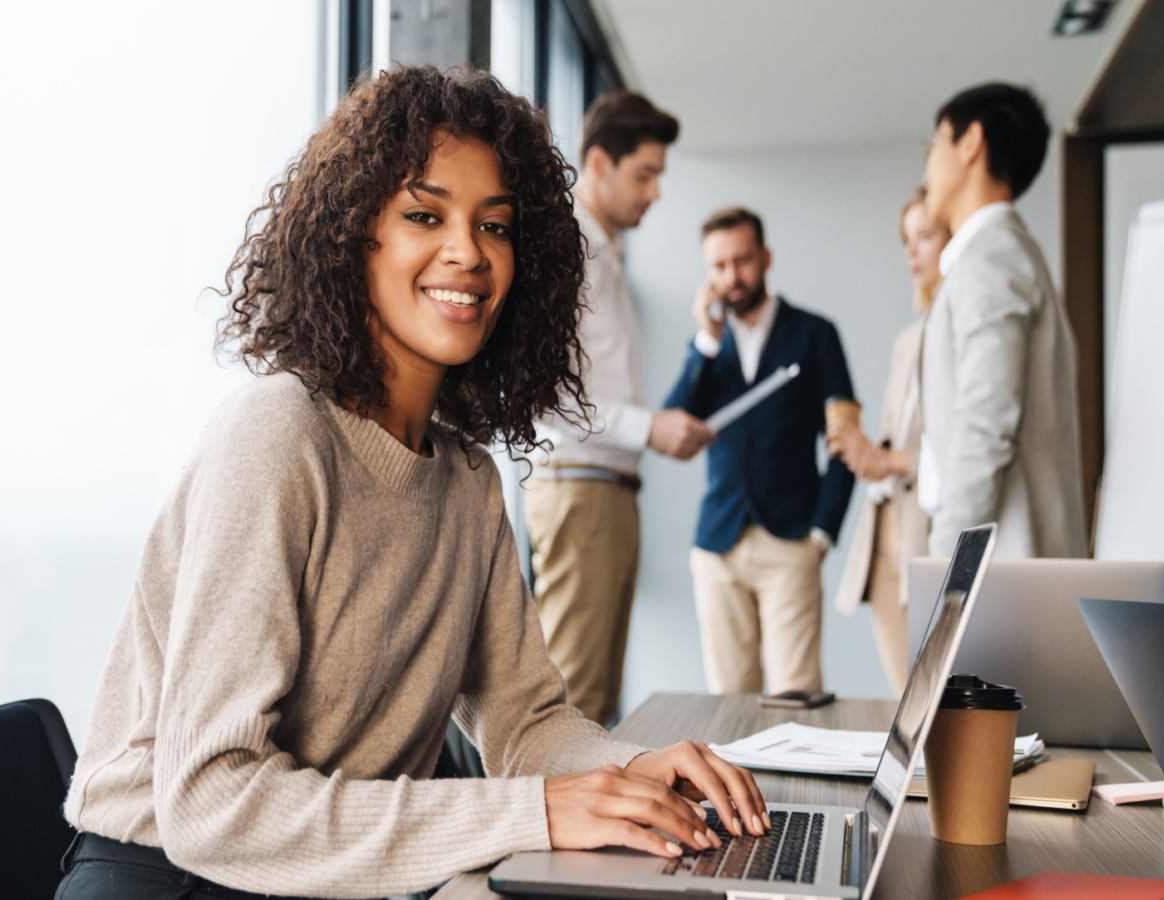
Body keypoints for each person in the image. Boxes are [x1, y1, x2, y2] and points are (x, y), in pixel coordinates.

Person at [56, 68, 770, 900]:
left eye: (494, 225)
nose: (467, 252)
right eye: (424, 215)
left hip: (334, 873)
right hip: (175, 878)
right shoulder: (279, 434)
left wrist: (634, 773)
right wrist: (533, 813)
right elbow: (210, 802)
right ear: (355, 234)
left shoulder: (468, 479)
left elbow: (524, 722)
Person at [527, 90, 711, 727]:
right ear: (599, 164)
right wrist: (649, 427)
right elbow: (545, 397)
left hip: (605, 491)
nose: (656, 192)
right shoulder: (572, 247)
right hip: (582, 490)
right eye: (646, 174)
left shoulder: (606, 252)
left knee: (595, 704)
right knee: (572, 707)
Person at [664, 207, 856, 697]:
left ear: (765, 258)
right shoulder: (708, 348)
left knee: (796, 698)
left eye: (743, 260)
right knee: (728, 704)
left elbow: (844, 441)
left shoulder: (815, 335)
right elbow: (670, 427)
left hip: (791, 542)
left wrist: (821, 534)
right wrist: (705, 343)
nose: (732, 276)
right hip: (717, 546)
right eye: (719, 266)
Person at [917, 82, 1087, 559]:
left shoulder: (992, 259)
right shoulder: (1002, 254)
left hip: (1001, 562)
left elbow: (986, 423)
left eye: (933, 146)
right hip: (1007, 557)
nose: (926, 168)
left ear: (971, 142)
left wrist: (945, 555)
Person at [828, 189, 948, 696]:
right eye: (906, 240)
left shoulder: (962, 332)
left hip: (929, 534)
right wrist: (862, 449)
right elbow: (896, 437)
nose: (911, 252)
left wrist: (887, 458)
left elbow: (965, 451)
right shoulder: (909, 338)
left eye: (925, 236)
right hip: (883, 538)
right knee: (906, 699)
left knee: (938, 699)